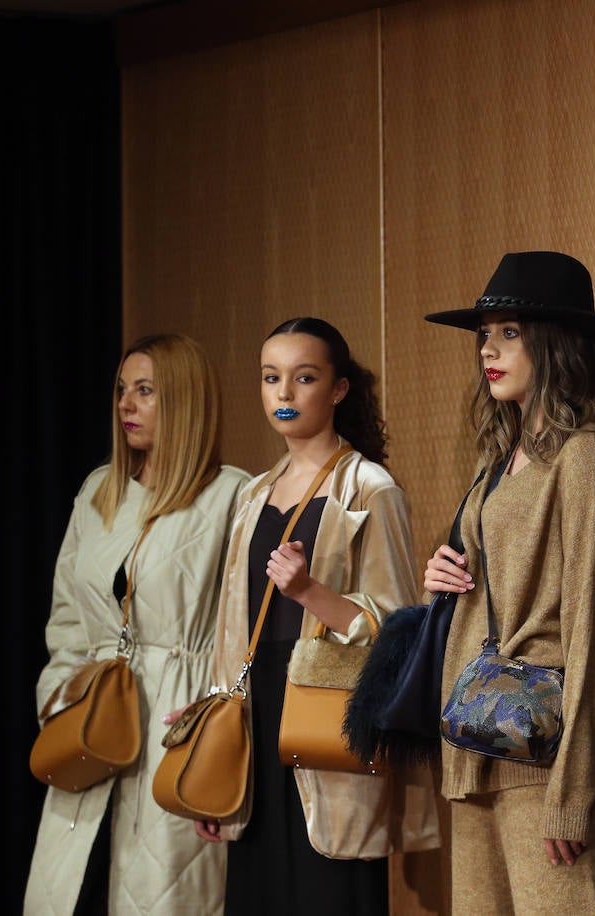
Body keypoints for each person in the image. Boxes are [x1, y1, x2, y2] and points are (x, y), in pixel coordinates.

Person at [422, 250, 595, 914]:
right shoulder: (501, 457)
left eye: (511, 333)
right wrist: (442, 577)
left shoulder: (590, 453)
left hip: (542, 751)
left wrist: (575, 790)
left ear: (557, 344)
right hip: (472, 745)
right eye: (486, 336)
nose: (490, 350)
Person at [181, 317, 420, 915]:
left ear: (338, 389)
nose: (283, 394)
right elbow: (233, 629)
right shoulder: (252, 494)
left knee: (328, 893)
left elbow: (397, 629)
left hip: (327, 717)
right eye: (271, 378)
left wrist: (309, 590)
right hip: (255, 719)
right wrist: (214, 714)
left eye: (303, 377)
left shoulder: (369, 487)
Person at [25, 333, 250, 915]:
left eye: (145, 391)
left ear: (184, 400)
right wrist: (60, 699)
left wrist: (217, 741)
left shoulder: (231, 495)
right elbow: (68, 620)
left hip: (176, 726)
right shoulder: (97, 493)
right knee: (72, 892)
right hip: (93, 724)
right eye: (122, 390)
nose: (125, 404)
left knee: (160, 896)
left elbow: (244, 632)